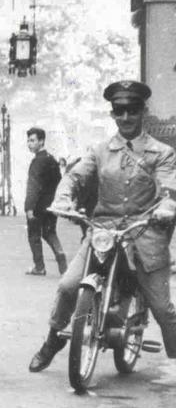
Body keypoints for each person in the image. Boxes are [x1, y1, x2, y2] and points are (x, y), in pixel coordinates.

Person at [28, 81, 176, 373]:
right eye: (119, 111)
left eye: (131, 110)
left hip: (144, 234)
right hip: (103, 233)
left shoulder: (161, 152)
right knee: (68, 286)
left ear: (142, 111)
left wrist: (166, 207)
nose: (125, 117)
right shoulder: (100, 150)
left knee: (162, 308)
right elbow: (74, 177)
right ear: (112, 114)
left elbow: (169, 186)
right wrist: (63, 199)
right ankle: (53, 338)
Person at [23, 126, 67, 276]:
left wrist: (29, 208)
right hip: (51, 205)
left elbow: (33, 187)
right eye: (28, 140)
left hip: (37, 207)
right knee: (50, 233)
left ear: (41, 141)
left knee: (34, 235)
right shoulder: (51, 159)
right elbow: (60, 181)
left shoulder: (37, 162)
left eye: (33, 140)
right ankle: (62, 262)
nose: (29, 144)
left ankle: (39, 267)